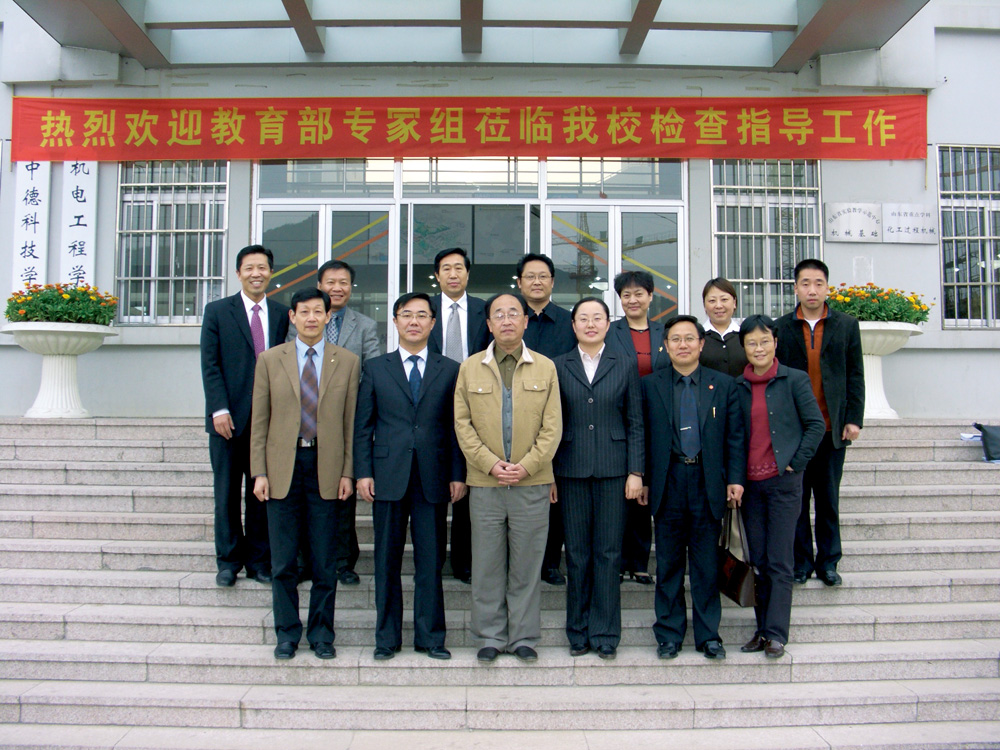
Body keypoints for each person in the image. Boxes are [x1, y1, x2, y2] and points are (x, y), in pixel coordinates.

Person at [354, 292, 466, 661]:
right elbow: (363, 425)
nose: (413, 321)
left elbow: (456, 427)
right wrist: (363, 472)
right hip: (387, 475)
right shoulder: (376, 368)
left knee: (430, 562)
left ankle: (430, 637)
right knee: (386, 561)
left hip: (433, 476)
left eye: (421, 315)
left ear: (433, 323)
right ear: (395, 321)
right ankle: (386, 638)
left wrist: (457, 473)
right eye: (406, 315)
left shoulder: (450, 369)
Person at [250, 288, 360, 660]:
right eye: (304, 311)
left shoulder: (347, 361)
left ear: (328, 317)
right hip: (282, 467)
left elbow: (350, 423)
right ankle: (286, 634)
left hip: (326, 468)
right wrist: (259, 471)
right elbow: (259, 421)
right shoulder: (270, 360)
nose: (311, 318)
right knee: (283, 561)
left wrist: (347, 472)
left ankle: (322, 634)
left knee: (325, 561)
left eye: (318, 311)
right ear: (292, 317)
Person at [454, 292, 562, 663]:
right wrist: (489, 464)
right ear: (488, 324)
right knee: (486, 564)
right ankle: (489, 636)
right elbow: (462, 424)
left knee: (527, 566)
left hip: (531, 483)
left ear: (526, 321)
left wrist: (528, 466)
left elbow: (552, 427)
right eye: (498, 314)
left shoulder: (545, 367)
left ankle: (524, 637)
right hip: (486, 484)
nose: (506, 320)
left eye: (513, 313)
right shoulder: (470, 368)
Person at [642, 315, 745, 660]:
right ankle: (669, 635)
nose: (682, 345)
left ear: (701, 344)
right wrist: (641, 478)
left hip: (707, 481)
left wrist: (735, 479)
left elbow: (734, 437)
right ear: (665, 346)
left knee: (705, 565)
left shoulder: (723, 385)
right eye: (675, 339)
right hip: (668, 481)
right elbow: (642, 436)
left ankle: (708, 636)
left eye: (689, 338)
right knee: (668, 565)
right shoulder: (650, 385)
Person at [553, 297, 644, 660]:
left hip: (613, 470)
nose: (590, 324)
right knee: (576, 554)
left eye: (597, 318)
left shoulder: (624, 364)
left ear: (608, 324)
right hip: (570, 469)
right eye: (583, 318)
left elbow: (635, 421)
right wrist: (549, 474)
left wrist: (636, 471)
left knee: (608, 553)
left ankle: (605, 632)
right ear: (573, 325)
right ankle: (577, 631)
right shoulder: (558, 365)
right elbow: (550, 423)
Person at [734, 314, 825, 659]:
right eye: (751, 343)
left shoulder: (794, 380)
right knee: (757, 560)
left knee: (780, 560)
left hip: (783, 484)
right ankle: (761, 630)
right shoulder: (737, 386)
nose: (758, 348)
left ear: (775, 343)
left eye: (764, 341)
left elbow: (815, 426)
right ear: (744, 347)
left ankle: (776, 634)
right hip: (750, 487)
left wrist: (794, 463)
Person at [201, 244, 289, 588]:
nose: (256, 273)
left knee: (260, 493)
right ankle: (228, 561)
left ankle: (258, 561)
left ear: (271, 273)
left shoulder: (282, 314)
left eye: (262, 267)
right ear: (238, 273)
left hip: (268, 421)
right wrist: (219, 408)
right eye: (249, 268)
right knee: (225, 493)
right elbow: (210, 364)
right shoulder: (217, 311)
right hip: (228, 419)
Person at [775, 259, 865, 587]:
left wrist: (853, 418)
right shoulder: (781, 328)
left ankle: (829, 562)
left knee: (828, 499)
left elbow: (855, 374)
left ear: (827, 287)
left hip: (830, 429)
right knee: (797, 501)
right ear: (795, 288)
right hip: (796, 433)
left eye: (818, 283)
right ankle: (801, 563)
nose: (812, 290)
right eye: (805, 283)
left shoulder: (846, 325)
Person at [315, 259, 382, 587]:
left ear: (351, 288)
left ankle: (344, 561)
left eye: (343, 282)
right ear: (320, 286)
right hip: (308, 418)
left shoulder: (365, 325)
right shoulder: (305, 319)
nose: (337, 288)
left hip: (348, 419)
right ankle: (309, 558)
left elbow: (372, 370)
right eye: (330, 282)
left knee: (343, 493)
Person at [427, 247, 491, 585]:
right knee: (435, 486)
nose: (453, 274)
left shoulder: (484, 310)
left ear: (467, 273)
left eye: (459, 268)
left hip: (476, 404)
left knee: (469, 485)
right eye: (446, 269)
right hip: (432, 404)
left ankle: (464, 561)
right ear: (437, 275)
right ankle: (433, 559)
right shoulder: (425, 309)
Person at [516, 252, 575, 586]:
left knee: (555, 498)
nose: (536, 282)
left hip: (559, 421)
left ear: (552, 282)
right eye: (530, 276)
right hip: (514, 421)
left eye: (543, 276)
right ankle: (518, 563)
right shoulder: (509, 319)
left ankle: (550, 562)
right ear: (519, 282)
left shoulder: (569, 323)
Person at [609, 270, 669, 586]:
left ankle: (640, 561)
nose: (633, 300)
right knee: (623, 493)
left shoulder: (664, 332)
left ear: (650, 296)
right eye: (626, 295)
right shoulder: (610, 332)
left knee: (646, 492)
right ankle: (619, 561)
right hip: (620, 421)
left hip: (657, 422)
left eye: (638, 294)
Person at [700, 277, 747, 378]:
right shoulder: (697, 337)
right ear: (704, 305)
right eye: (712, 301)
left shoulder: (745, 336)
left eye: (724, 299)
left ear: (734, 303)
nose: (718, 306)